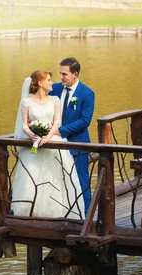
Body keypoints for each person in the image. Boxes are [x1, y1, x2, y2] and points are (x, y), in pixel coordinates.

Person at [11, 70, 85, 219]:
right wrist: (34, 136)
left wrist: (48, 137)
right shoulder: (27, 102)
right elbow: (24, 125)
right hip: (34, 145)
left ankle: (59, 211)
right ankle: (31, 211)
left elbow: (57, 122)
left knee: (55, 177)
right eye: (49, 80)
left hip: (53, 142)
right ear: (40, 83)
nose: (52, 83)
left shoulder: (55, 100)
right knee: (33, 175)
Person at [49, 57, 95, 215]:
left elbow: (84, 121)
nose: (61, 77)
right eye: (60, 73)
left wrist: (60, 131)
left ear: (75, 74)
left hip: (77, 144)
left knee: (81, 180)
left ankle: (85, 214)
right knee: (57, 180)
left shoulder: (87, 93)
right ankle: (62, 212)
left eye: (64, 74)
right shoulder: (53, 89)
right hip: (53, 145)